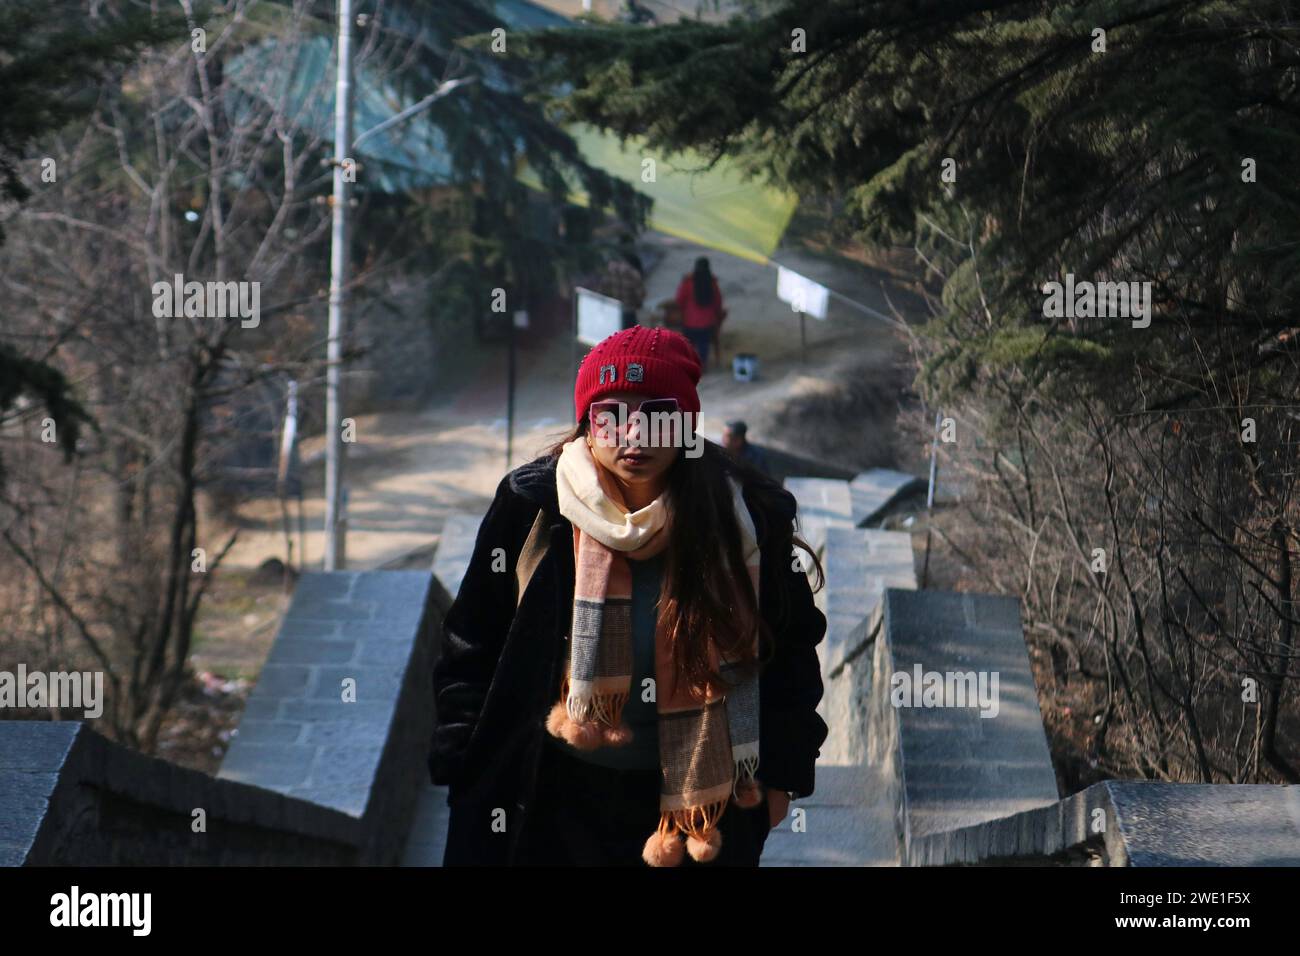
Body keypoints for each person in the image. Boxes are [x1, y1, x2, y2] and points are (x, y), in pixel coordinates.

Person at [430, 324, 828, 867]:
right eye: (610, 414)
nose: (632, 435)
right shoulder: (533, 506)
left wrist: (781, 778)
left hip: (693, 812)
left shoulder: (747, 520)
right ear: (586, 424)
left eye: (656, 415)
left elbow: (791, 651)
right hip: (546, 793)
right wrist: (462, 759)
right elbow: (472, 640)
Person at [674, 256, 725, 369]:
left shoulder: (688, 282)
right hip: (707, 323)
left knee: (688, 346)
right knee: (704, 345)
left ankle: (688, 366)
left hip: (689, 321)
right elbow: (718, 302)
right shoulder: (712, 283)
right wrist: (718, 315)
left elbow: (679, 300)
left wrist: (683, 311)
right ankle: (702, 366)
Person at [595, 255, 646, 330]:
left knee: (616, 335)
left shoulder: (611, 271)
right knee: (631, 335)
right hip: (629, 310)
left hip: (614, 309)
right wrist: (638, 304)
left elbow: (602, 289)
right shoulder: (633, 274)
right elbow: (641, 294)